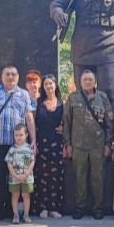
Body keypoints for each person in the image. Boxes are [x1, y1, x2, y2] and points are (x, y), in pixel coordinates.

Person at [0, 65, 36, 221]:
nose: (10, 77)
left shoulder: (24, 95)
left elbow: (29, 119)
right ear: (2, 76)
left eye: (13, 74)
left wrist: (34, 141)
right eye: (7, 74)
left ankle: (15, 210)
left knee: (18, 176)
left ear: (18, 77)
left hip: (18, 145)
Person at [63, 69, 113, 219]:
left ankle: (98, 208)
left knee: (98, 177)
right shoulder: (73, 98)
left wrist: (108, 144)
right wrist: (68, 144)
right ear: (80, 81)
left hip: (98, 145)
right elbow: (66, 122)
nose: (87, 82)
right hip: (78, 145)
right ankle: (80, 207)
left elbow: (109, 123)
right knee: (80, 177)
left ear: (95, 81)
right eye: (85, 79)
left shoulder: (103, 97)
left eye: (90, 79)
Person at [33, 74, 65, 218]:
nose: (48, 86)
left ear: (55, 85)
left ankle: (54, 207)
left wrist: (64, 130)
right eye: (46, 84)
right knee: (42, 176)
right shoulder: (38, 104)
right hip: (42, 144)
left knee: (56, 176)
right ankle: (43, 207)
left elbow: (67, 123)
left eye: (51, 84)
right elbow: (32, 123)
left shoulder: (62, 104)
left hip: (57, 144)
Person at [5, 123, 35, 224]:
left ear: (26, 135)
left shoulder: (29, 148)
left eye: (21, 135)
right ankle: (16, 215)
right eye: (16, 135)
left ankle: (26, 214)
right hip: (14, 178)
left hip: (27, 177)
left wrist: (27, 173)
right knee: (15, 195)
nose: (18, 137)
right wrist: (14, 174)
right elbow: (9, 162)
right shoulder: (12, 149)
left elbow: (32, 161)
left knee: (26, 195)